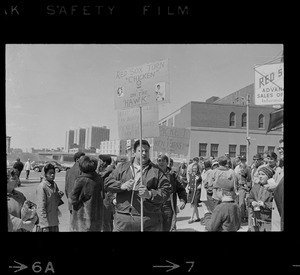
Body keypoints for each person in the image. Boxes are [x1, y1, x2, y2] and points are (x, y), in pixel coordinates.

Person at [104, 139, 171, 231]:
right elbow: (107, 182)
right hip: (123, 220)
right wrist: (121, 186)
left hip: (148, 221)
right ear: (134, 152)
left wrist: (150, 194)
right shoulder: (122, 168)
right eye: (141, 151)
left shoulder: (156, 171)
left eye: (146, 151)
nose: (144, 153)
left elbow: (166, 192)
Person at [70, 156, 104, 231]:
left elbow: (73, 199)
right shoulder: (99, 179)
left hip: (83, 220)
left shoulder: (81, 180)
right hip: (97, 218)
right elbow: (103, 196)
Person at [157, 155, 187, 231]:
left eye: (163, 161)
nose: (161, 162)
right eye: (159, 160)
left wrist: (183, 200)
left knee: (169, 227)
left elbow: (181, 189)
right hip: (155, 205)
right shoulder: (152, 174)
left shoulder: (173, 175)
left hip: (168, 206)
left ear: (167, 162)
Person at [36, 163, 64, 232]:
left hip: (54, 222)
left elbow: (54, 203)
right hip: (46, 224)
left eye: (54, 173)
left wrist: (58, 196)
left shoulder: (54, 185)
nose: (52, 175)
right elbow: (41, 208)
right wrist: (44, 226)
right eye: (50, 173)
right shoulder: (42, 187)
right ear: (45, 174)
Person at [247, 166, 274, 232]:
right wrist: (252, 202)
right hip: (256, 218)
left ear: (269, 176)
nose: (260, 176)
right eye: (259, 174)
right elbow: (249, 198)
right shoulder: (255, 187)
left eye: (263, 174)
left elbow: (276, 205)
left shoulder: (273, 189)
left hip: (268, 220)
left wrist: (264, 204)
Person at [65, 151, 85, 230]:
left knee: (72, 224)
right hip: (81, 204)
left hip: (71, 203)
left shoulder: (68, 171)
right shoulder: (82, 171)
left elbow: (66, 189)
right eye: (83, 158)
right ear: (77, 160)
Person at [97, 154, 115, 232]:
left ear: (104, 162)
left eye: (100, 161)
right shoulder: (107, 169)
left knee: (105, 221)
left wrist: (97, 166)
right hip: (107, 197)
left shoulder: (109, 169)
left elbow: (97, 176)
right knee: (108, 221)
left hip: (107, 198)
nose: (99, 162)